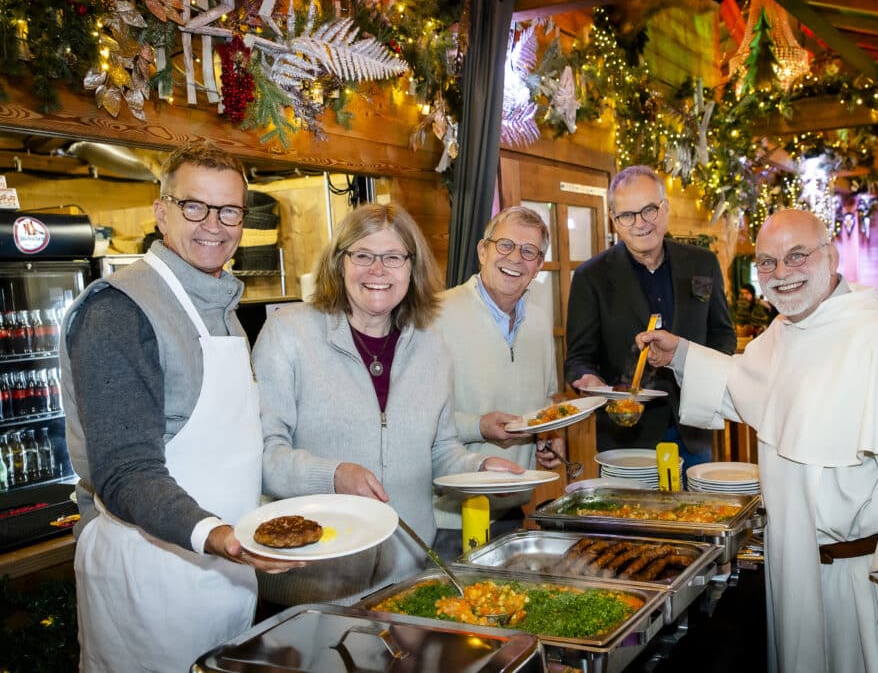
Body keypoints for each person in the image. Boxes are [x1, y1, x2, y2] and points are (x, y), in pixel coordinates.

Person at [637, 208, 878, 673]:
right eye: (767, 262)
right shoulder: (783, 334)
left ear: (830, 256)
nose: (781, 273)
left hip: (868, 576)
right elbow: (742, 384)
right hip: (798, 567)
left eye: (796, 256)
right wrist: (681, 355)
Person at [60, 143, 300, 673]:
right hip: (148, 582)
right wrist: (216, 534)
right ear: (161, 211)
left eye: (229, 210)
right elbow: (124, 472)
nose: (213, 225)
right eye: (194, 206)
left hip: (227, 571)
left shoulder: (222, 306)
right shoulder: (118, 311)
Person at [253, 202, 523, 606]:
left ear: (412, 268)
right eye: (363, 255)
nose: (378, 270)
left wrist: (481, 469)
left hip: (406, 579)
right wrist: (333, 475)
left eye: (394, 257)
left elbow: (440, 449)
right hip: (313, 585)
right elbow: (263, 455)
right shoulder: (289, 332)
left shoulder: (431, 346)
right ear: (339, 263)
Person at [565, 165, 735, 465]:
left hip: (694, 429)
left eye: (648, 210)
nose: (640, 223)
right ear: (614, 220)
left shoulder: (703, 263)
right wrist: (587, 378)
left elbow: (723, 335)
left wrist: (701, 372)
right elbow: (578, 357)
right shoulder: (590, 277)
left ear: (665, 208)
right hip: (626, 436)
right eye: (627, 215)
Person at [430, 206, 565, 558]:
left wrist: (547, 436)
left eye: (529, 251)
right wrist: (478, 426)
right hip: (446, 519)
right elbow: (413, 419)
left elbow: (545, 401)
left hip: (512, 511)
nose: (515, 258)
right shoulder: (434, 316)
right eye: (505, 245)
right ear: (482, 250)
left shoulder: (539, 322)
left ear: (538, 265)